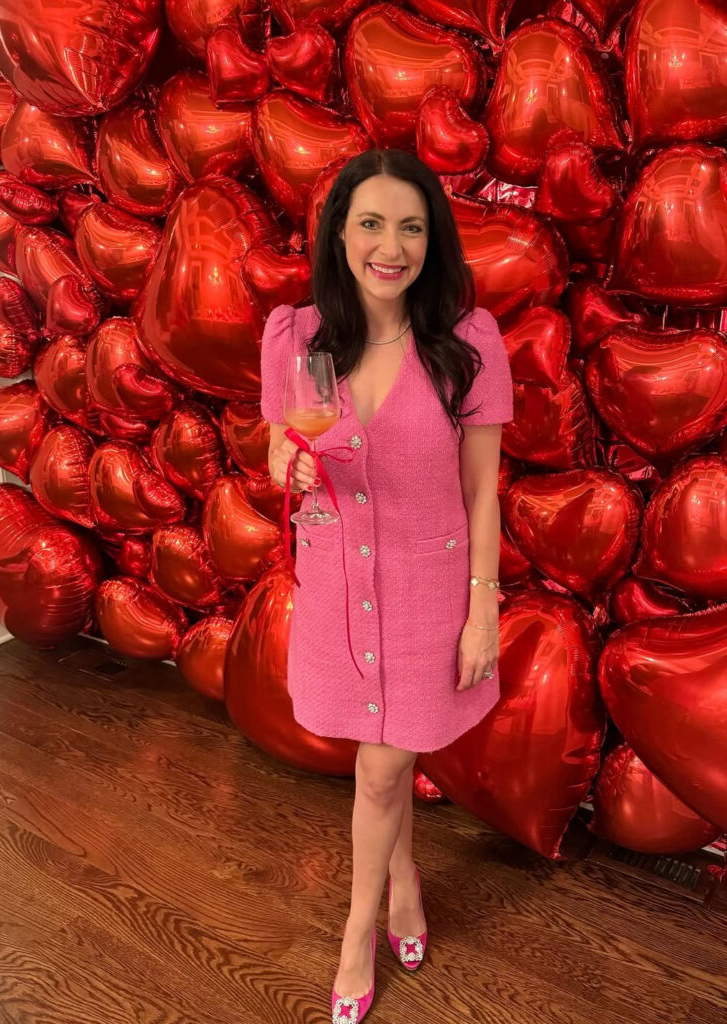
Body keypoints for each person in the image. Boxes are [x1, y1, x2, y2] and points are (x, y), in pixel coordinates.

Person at [260, 147, 513, 1023]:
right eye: (370, 222)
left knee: (380, 770)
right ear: (338, 235)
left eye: (410, 226)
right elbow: (281, 447)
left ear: (431, 241)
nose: (390, 245)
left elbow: (483, 489)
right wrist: (287, 466)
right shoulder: (296, 338)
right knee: (384, 760)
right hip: (333, 584)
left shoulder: (466, 345)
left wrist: (483, 610)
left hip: (429, 594)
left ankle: (356, 930)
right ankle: (404, 884)